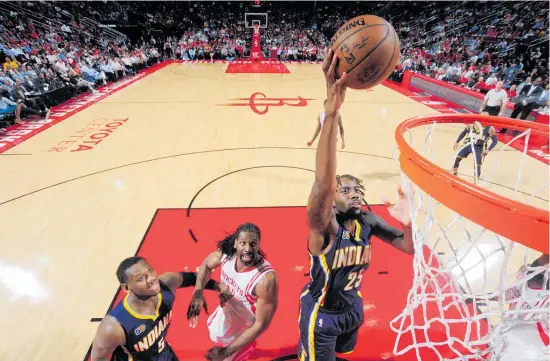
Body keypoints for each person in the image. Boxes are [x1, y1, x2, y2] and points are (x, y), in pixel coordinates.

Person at [297, 48, 414, 361]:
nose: (355, 193)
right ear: (331, 201)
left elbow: (408, 247)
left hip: (353, 307)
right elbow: (323, 182)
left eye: (357, 188)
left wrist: (409, 221)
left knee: (345, 353)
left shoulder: (369, 222)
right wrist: (331, 113)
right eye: (345, 189)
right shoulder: (323, 227)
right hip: (321, 314)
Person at [90, 256, 229, 361]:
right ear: (126, 288)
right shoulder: (113, 326)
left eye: (150, 270)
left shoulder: (166, 285)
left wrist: (211, 289)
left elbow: (193, 277)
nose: (151, 278)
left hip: (164, 355)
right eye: (141, 278)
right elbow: (98, 359)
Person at [187, 223, 278, 361]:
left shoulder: (266, 279)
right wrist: (198, 293)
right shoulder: (226, 255)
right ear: (236, 244)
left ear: (259, 244)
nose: (248, 249)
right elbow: (205, 265)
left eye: (253, 244)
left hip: (245, 330)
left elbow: (261, 324)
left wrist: (226, 352)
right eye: (243, 243)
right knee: (214, 334)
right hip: (226, 314)